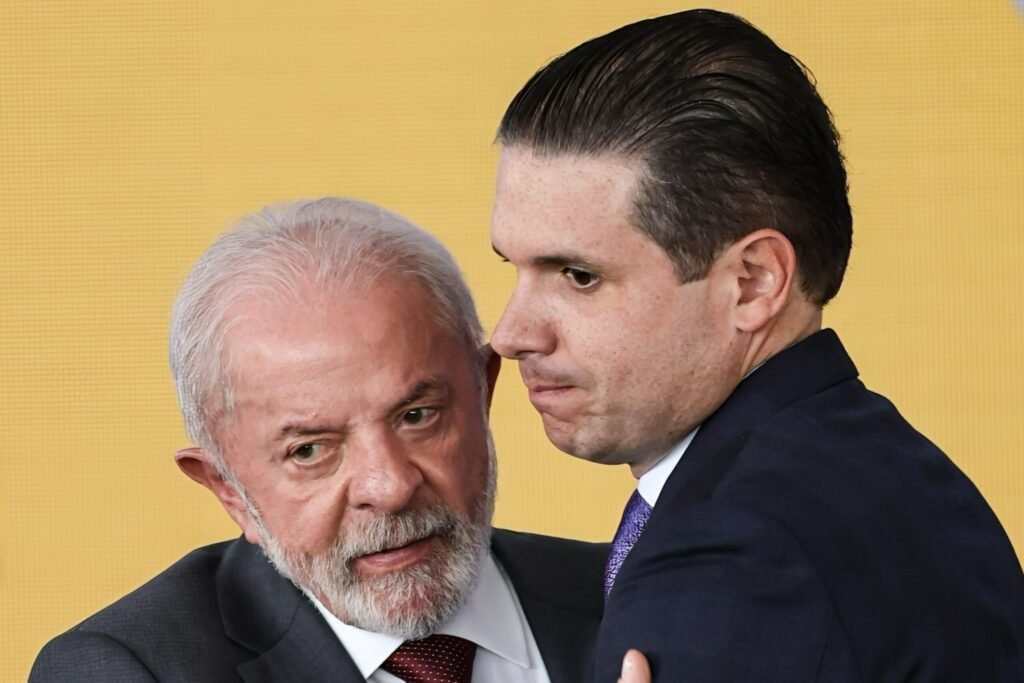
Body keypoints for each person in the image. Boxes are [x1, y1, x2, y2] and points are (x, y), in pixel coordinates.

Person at [488, 9, 1024, 682]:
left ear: (753, 282)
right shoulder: (905, 480)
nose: (511, 334)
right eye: (512, 267)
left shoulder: (735, 552)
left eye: (578, 275)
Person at [30, 197, 606, 682]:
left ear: (482, 393)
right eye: (309, 451)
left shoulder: (631, 592)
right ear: (227, 489)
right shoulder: (126, 671)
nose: (389, 486)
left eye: (417, 416)